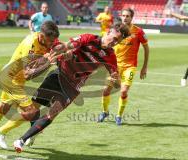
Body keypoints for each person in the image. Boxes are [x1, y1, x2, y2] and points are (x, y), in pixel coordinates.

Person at [13, 22, 130, 153]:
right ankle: (30, 131)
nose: (114, 42)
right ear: (108, 32)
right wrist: (57, 52)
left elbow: (117, 81)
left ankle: (21, 140)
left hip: (72, 87)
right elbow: (68, 45)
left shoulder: (110, 56)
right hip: (58, 75)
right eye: (114, 38)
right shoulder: (89, 38)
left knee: (52, 114)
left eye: (117, 41)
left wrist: (114, 81)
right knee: (33, 109)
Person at [0, 21, 61, 151]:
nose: (51, 44)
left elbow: (59, 47)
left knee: (3, 108)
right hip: (11, 80)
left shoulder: (48, 39)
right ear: (41, 36)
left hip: (16, 79)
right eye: (50, 41)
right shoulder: (30, 46)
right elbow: (28, 75)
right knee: (32, 112)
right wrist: (48, 63)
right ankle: (0, 132)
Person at [97, 8, 150, 125]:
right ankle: (105, 112)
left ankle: (119, 116)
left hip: (129, 67)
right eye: (123, 15)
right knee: (106, 90)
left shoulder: (139, 32)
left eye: (128, 16)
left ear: (132, 17)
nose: (125, 18)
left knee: (123, 91)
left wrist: (144, 67)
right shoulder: (114, 30)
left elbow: (146, 48)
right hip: (114, 66)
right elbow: (105, 44)